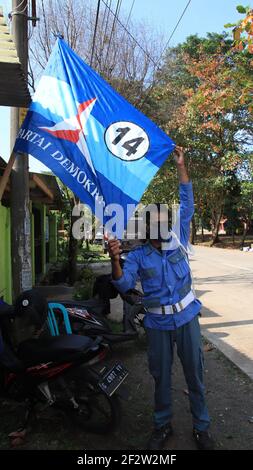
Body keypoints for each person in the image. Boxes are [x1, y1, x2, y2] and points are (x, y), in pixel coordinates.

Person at [108, 146, 214, 450]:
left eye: (162, 224)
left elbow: (187, 201)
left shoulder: (179, 239)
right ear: (146, 229)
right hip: (157, 324)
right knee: (161, 377)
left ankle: (201, 427)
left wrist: (181, 166)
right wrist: (115, 258)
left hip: (187, 319)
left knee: (195, 375)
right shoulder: (138, 256)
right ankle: (162, 425)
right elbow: (123, 284)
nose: (159, 231)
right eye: (153, 226)